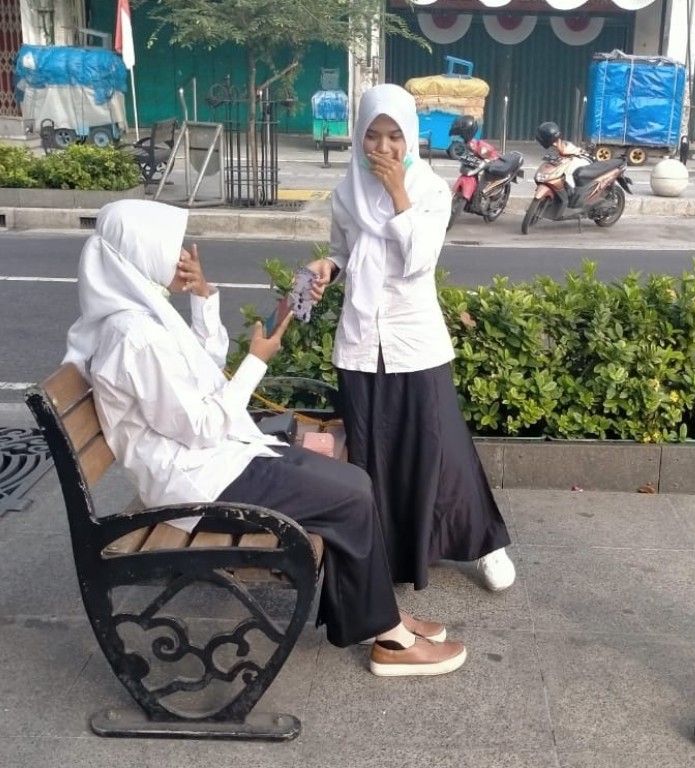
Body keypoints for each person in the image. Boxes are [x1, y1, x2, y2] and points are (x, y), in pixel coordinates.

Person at [64, 199, 468, 677]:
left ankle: (377, 616)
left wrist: (203, 294)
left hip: (215, 460)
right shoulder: (133, 336)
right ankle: (391, 640)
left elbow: (204, 371)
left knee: (352, 482)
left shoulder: (143, 317)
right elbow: (202, 425)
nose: (183, 256)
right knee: (350, 495)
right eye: (169, 249)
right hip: (198, 481)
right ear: (139, 255)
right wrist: (257, 361)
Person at [305, 84, 515, 592]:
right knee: (372, 450)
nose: (382, 148)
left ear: (411, 137)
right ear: (359, 137)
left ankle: (485, 543)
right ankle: (391, 550)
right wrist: (325, 267)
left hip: (414, 339)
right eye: (373, 136)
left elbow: (420, 260)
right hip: (359, 340)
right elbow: (342, 252)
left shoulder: (431, 190)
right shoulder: (346, 192)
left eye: (394, 137)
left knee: (443, 447)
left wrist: (399, 192)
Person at [535, 121, 589, 198]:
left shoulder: (565, 148)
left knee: (567, 175)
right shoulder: (559, 146)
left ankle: (571, 199)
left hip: (583, 165)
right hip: (580, 161)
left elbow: (567, 154)